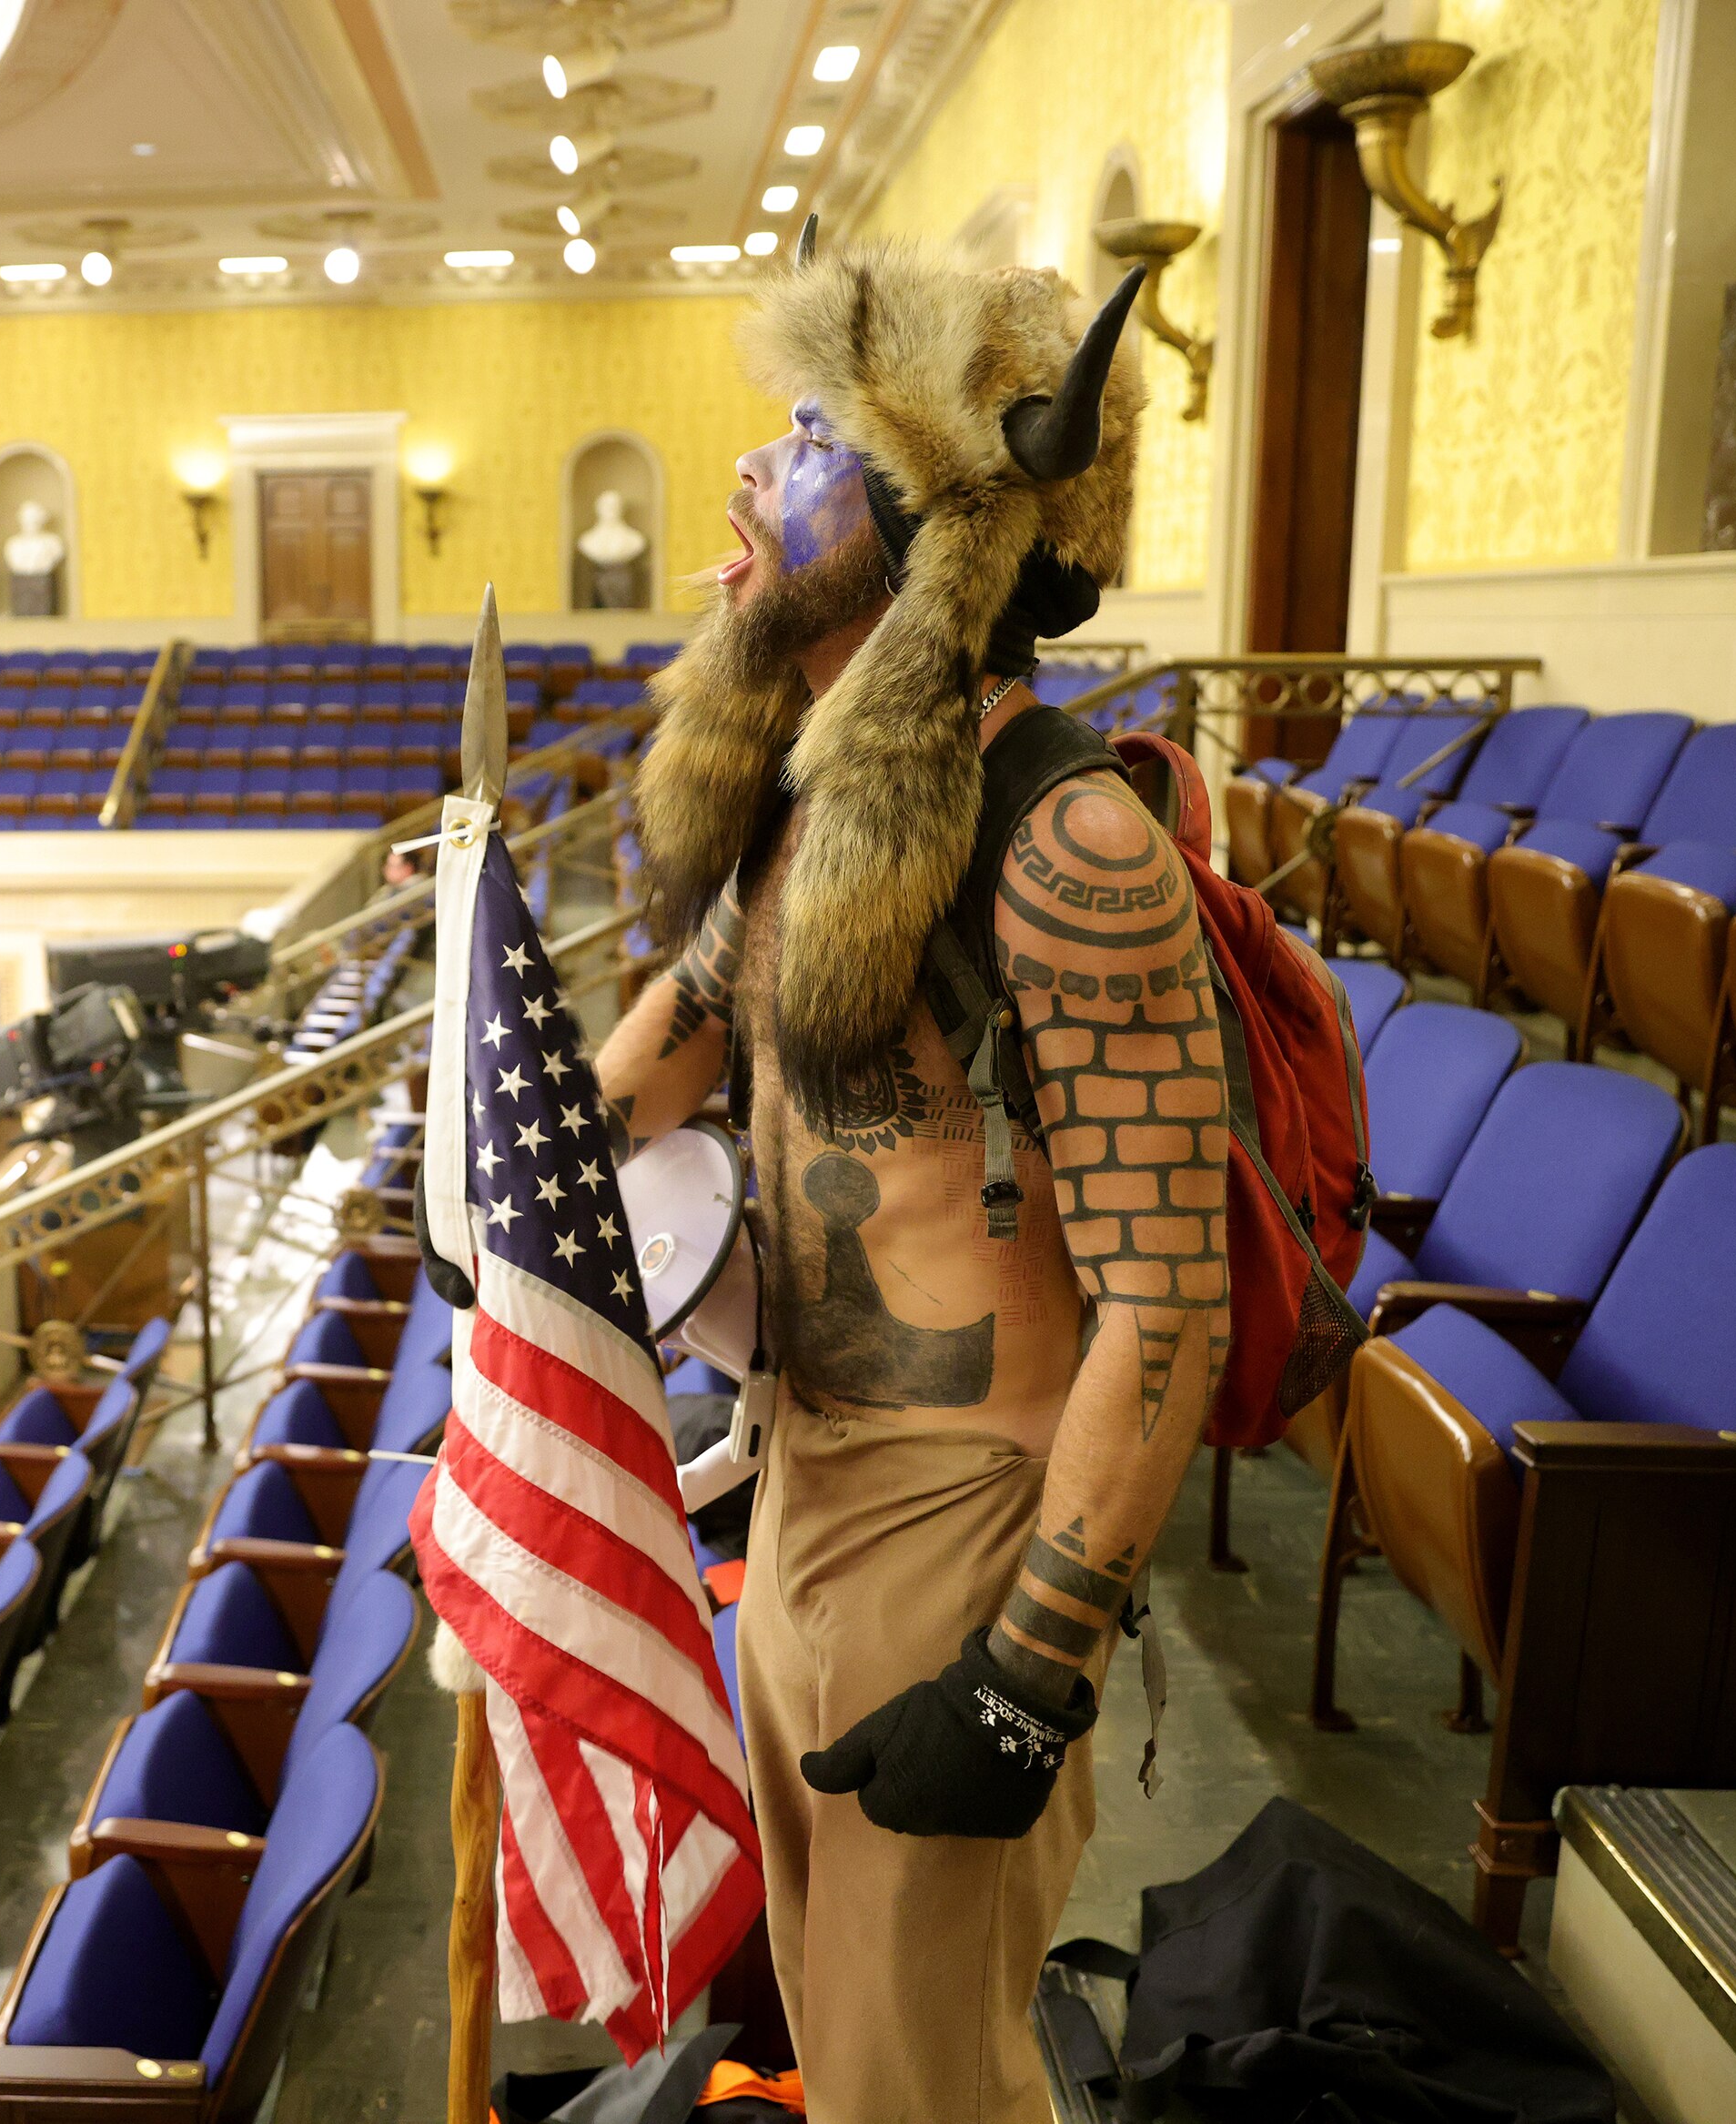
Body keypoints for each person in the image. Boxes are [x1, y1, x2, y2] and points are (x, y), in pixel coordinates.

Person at [592, 236, 1215, 2119]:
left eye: (803, 435)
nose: (747, 476)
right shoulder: (823, 802)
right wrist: (519, 1172)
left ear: (934, 509)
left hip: (962, 1531)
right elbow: (681, 1032)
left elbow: (1167, 1303)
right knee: (841, 2029)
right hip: (798, 1483)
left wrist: (1032, 1668)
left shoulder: (1072, 846)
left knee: (918, 2080)